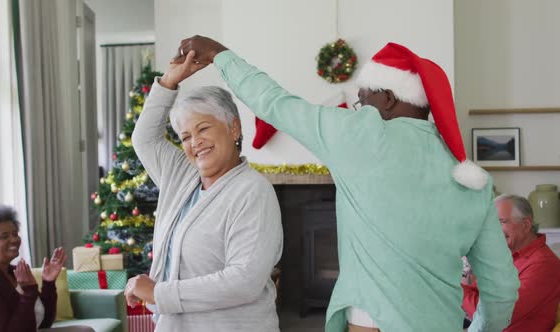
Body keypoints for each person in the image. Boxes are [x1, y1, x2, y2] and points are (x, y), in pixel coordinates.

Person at [173, 36, 520, 331]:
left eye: (363, 99)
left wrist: (221, 54)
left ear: (388, 97)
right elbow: (502, 288)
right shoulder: (470, 177)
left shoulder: (361, 135)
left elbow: (275, 102)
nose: (359, 107)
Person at [125, 50, 283, 331]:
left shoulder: (253, 192)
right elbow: (144, 139)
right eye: (186, 136)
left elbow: (243, 281)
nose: (195, 142)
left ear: (233, 128)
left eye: (203, 129)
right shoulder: (181, 175)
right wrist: (170, 81)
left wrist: (158, 293)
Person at [0, 205, 91, 332]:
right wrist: (28, 293)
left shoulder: (15, 272)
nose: (14, 240)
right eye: (4, 236)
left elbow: (44, 322)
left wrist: (48, 283)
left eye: (15, 234)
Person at [462, 194, 560, 331]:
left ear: (526, 225)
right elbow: (478, 295)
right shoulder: (505, 257)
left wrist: (457, 290)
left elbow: (495, 317)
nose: (492, 231)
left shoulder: (544, 264)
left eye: (500, 222)